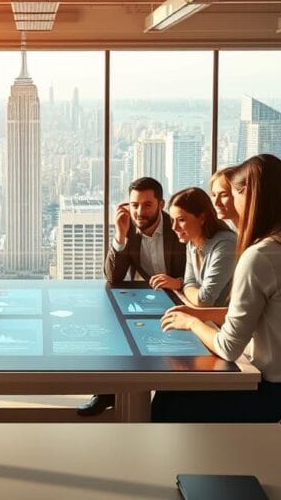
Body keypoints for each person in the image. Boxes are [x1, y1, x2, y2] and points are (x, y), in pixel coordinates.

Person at [154, 154, 281, 423]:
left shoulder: (262, 256)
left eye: (233, 194)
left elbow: (228, 348)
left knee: (171, 396)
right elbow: (274, 313)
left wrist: (191, 323)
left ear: (248, 195)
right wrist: (201, 314)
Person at [80, 176, 187, 417]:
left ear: (161, 204)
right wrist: (119, 236)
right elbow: (113, 277)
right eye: (134, 204)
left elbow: (196, 274)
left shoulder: (177, 227)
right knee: (114, 325)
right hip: (149, 299)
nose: (139, 211)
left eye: (147, 204)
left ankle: (165, 402)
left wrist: (177, 283)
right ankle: (108, 392)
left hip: (181, 299)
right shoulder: (129, 229)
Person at [167, 187, 237, 308]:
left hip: (225, 323)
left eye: (181, 220)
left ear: (202, 218)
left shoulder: (226, 244)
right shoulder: (192, 242)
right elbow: (189, 283)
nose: (174, 227)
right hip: (205, 318)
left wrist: (190, 290)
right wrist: (190, 289)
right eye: (172, 220)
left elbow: (204, 300)